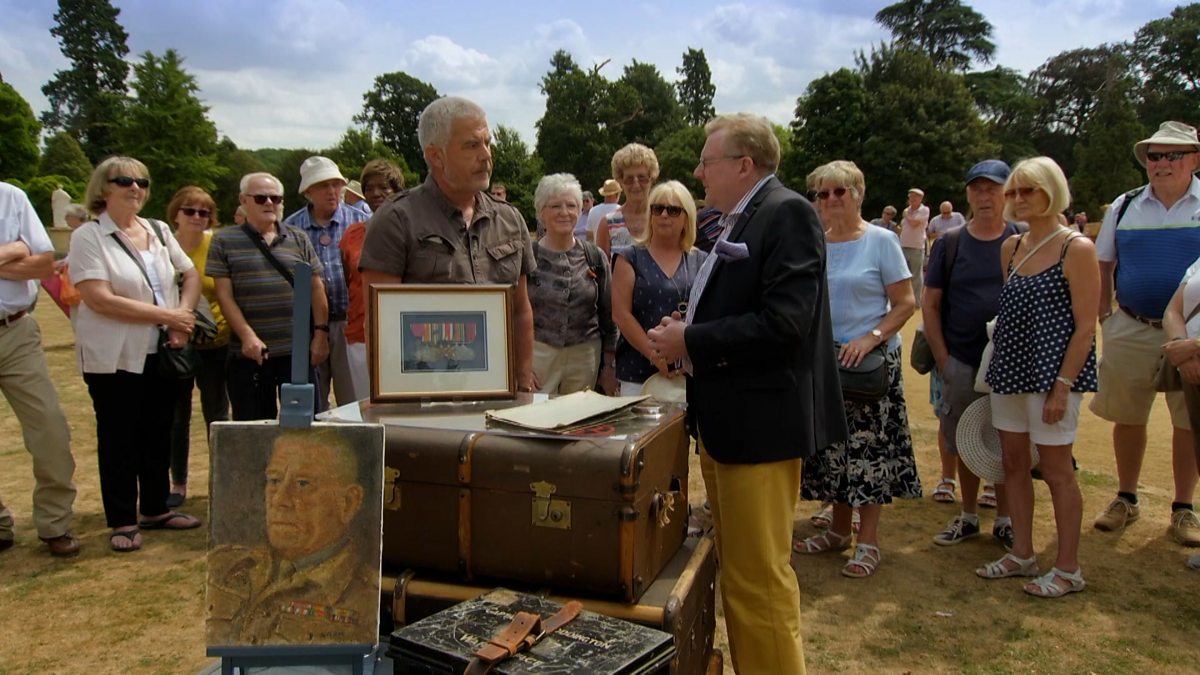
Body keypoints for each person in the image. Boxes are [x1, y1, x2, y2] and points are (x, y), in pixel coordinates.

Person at [648, 113, 847, 674]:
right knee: (740, 574)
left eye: (706, 162)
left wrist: (690, 338)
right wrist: (687, 333)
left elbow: (786, 324)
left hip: (759, 429)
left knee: (759, 579)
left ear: (744, 165)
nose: (698, 173)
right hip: (730, 425)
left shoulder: (786, 213)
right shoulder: (745, 217)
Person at [977, 156, 1098, 597]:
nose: (1018, 198)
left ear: (1052, 191)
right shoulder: (1010, 247)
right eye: (1013, 191)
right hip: (1010, 369)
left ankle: (1068, 568)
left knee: (1056, 469)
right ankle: (1022, 553)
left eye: (1028, 189)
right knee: (1013, 462)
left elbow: (1085, 327)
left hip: (1052, 376)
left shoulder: (1076, 248)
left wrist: (1062, 387)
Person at [69, 157, 203, 553]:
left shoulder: (158, 229)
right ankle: (122, 519)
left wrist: (182, 318)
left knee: (158, 431)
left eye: (142, 182)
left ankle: (156, 508)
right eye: (124, 180)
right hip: (113, 356)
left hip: (160, 350)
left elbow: (190, 274)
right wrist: (168, 316)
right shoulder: (88, 237)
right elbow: (99, 298)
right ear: (103, 188)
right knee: (119, 436)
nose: (135, 188)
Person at [794, 160, 921, 578]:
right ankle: (837, 530)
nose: (830, 199)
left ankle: (867, 541)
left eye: (839, 191)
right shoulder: (815, 243)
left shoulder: (882, 241)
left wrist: (871, 337)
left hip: (869, 364)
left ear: (858, 194)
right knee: (831, 451)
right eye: (823, 193)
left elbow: (905, 303)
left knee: (870, 454)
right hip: (826, 363)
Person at [358, 96, 537, 392]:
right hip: (426, 392)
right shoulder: (396, 220)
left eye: (487, 143)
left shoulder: (509, 219)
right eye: (472, 145)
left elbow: (520, 311)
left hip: (500, 393)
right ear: (436, 156)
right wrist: (394, 400)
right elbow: (380, 326)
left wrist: (523, 385)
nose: (486, 156)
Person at [1091, 121, 1200, 545]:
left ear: (1194, 159)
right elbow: (1104, 264)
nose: (1162, 163)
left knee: (1189, 420)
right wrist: (1105, 316)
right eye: (1155, 155)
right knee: (1128, 416)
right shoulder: (1124, 204)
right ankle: (1126, 497)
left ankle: (1184, 507)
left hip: (1191, 334)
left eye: (1174, 154)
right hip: (1131, 325)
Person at [924, 160, 1022, 550]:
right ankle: (967, 515)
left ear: (1006, 193)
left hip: (1012, 361)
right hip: (962, 358)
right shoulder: (950, 243)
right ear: (967, 194)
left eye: (992, 188)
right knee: (964, 440)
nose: (984, 196)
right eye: (977, 189)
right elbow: (930, 304)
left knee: (1007, 439)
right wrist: (944, 360)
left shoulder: (1022, 238)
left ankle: (1005, 520)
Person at [207, 428, 378, 646]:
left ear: (348, 503)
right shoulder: (224, 564)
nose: (280, 499)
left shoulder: (365, 598)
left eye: (303, 484)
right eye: (274, 480)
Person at [208, 172, 330, 421]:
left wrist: (320, 334)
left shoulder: (298, 237)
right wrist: (247, 336)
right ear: (243, 200)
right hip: (251, 354)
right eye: (261, 198)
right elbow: (224, 295)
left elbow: (316, 288)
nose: (269, 203)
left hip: (297, 353)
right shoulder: (224, 241)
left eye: (275, 198)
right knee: (255, 428)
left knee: (305, 424)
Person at [0, 182, 79, 558]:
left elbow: (44, 264)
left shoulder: (10, 197)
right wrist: (14, 250)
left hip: (15, 330)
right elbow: (29, 258)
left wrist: (25, 253)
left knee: (50, 429)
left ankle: (55, 522)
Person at [165, 187, 230, 508]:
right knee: (177, 417)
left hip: (216, 342)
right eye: (189, 211)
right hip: (174, 344)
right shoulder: (162, 246)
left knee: (217, 414)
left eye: (204, 212)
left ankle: (221, 480)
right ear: (176, 214)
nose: (197, 217)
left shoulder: (216, 244)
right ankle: (178, 482)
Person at [612, 181, 707, 396]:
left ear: (687, 218)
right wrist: (654, 355)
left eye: (673, 210)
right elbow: (621, 314)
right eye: (657, 208)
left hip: (688, 372)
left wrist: (688, 355)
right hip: (638, 372)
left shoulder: (702, 260)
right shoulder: (629, 257)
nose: (664, 215)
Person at [528, 173, 617, 394]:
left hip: (585, 356)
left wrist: (608, 366)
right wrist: (520, 364)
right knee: (537, 414)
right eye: (555, 206)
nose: (564, 212)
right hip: (538, 355)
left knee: (580, 415)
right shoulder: (527, 257)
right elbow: (513, 314)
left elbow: (609, 315)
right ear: (541, 211)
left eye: (571, 205)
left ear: (580, 210)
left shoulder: (595, 257)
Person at [283, 156, 356, 409]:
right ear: (308, 192)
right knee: (313, 403)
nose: (332, 191)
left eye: (336, 184)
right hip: (308, 326)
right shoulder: (290, 228)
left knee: (353, 403)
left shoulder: (360, 222)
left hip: (351, 323)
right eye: (323, 185)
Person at [340, 159, 405, 401]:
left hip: (402, 335)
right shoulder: (352, 234)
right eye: (369, 188)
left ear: (397, 190)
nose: (375, 193)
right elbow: (349, 279)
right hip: (360, 334)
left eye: (383, 187)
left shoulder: (411, 232)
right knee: (365, 404)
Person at [596, 144, 658, 257]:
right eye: (629, 179)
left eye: (642, 178)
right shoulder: (607, 224)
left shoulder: (662, 218)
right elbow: (600, 266)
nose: (636, 184)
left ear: (651, 178)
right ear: (620, 181)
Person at [900, 188, 929, 307]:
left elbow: (914, 223)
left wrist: (906, 215)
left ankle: (917, 301)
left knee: (916, 275)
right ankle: (904, 300)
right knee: (902, 275)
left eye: (914, 197)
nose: (911, 199)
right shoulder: (907, 210)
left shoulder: (924, 210)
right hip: (903, 245)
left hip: (916, 247)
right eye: (910, 196)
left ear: (920, 198)